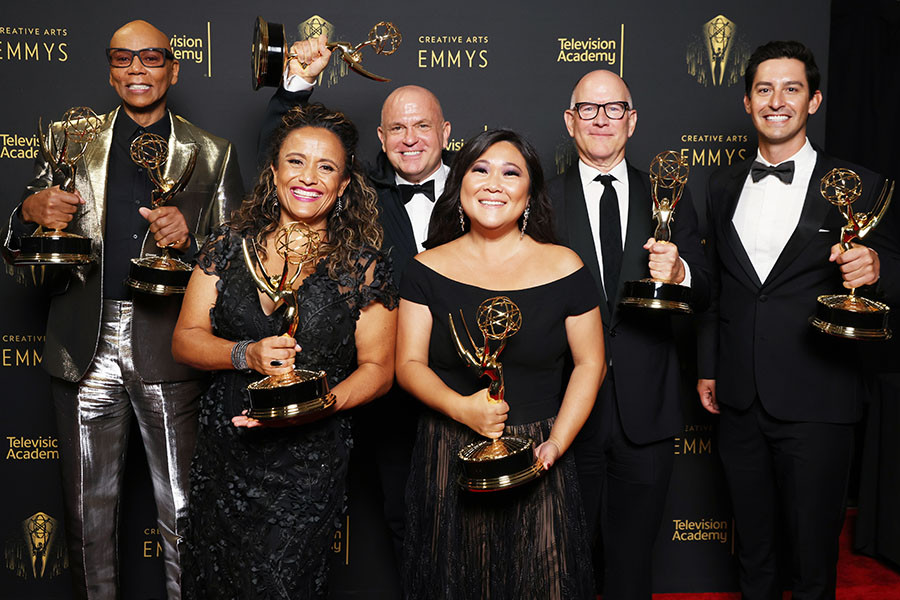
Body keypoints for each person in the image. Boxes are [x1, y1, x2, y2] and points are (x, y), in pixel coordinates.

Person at [0, 20, 243, 599]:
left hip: (170, 343)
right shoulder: (71, 141)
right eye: (123, 59)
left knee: (185, 514)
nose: (137, 69)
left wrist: (195, 236)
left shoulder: (212, 153)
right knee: (86, 519)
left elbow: (238, 263)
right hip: (84, 344)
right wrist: (30, 210)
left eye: (151, 58)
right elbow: (28, 247)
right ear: (110, 70)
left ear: (173, 69)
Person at [697, 40, 900, 599]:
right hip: (739, 400)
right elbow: (718, 289)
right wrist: (709, 365)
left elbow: (895, 270)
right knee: (754, 557)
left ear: (814, 101)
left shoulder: (857, 185)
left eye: (791, 89)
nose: (776, 101)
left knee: (813, 563)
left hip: (819, 399)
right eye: (764, 89)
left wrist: (876, 264)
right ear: (747, 103)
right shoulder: (721, 185)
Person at [171, 102, 397, 598]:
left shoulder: (363, 265)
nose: (308, 177)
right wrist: (244, 354)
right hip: (226, 448)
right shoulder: (230, 243)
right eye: (295, 161)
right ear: (273, 173)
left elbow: (380, 370)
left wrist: (314, 408)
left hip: (307, 460)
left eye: (326, 167)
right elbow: (185, 338)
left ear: (342, 186)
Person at [257, 34, 453, 564]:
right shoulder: (354, 191)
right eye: (397, 129)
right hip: (390, 399)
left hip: (467, 390)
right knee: (403, 524)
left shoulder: (483, 186)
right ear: (382, 137)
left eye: (422, 126)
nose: (410, 139)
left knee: (473, 527)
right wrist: (297, 82)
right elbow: (287, 150)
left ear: (446, 133)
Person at [395, 128, 606, 599]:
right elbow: (407, 364)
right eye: (480, 170)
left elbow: (591, 363)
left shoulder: (565, 266)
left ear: (530, 192)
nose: (494, 183)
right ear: (460, 185)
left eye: (511, 173)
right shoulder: (424, 267)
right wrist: (462, 408)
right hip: (450, 452)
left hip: (538, 454)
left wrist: (555, 444)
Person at [547, 69, 709, 599]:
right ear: (570, 122)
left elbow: (708, 286)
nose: (601, 120)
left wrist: (680, 272)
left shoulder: (668, 192)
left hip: (647, 408)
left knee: (633, 563)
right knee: (563, 561)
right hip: (565, 410)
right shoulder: (541, 201)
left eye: (613, 108)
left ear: (632, 120)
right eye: (588, 110)